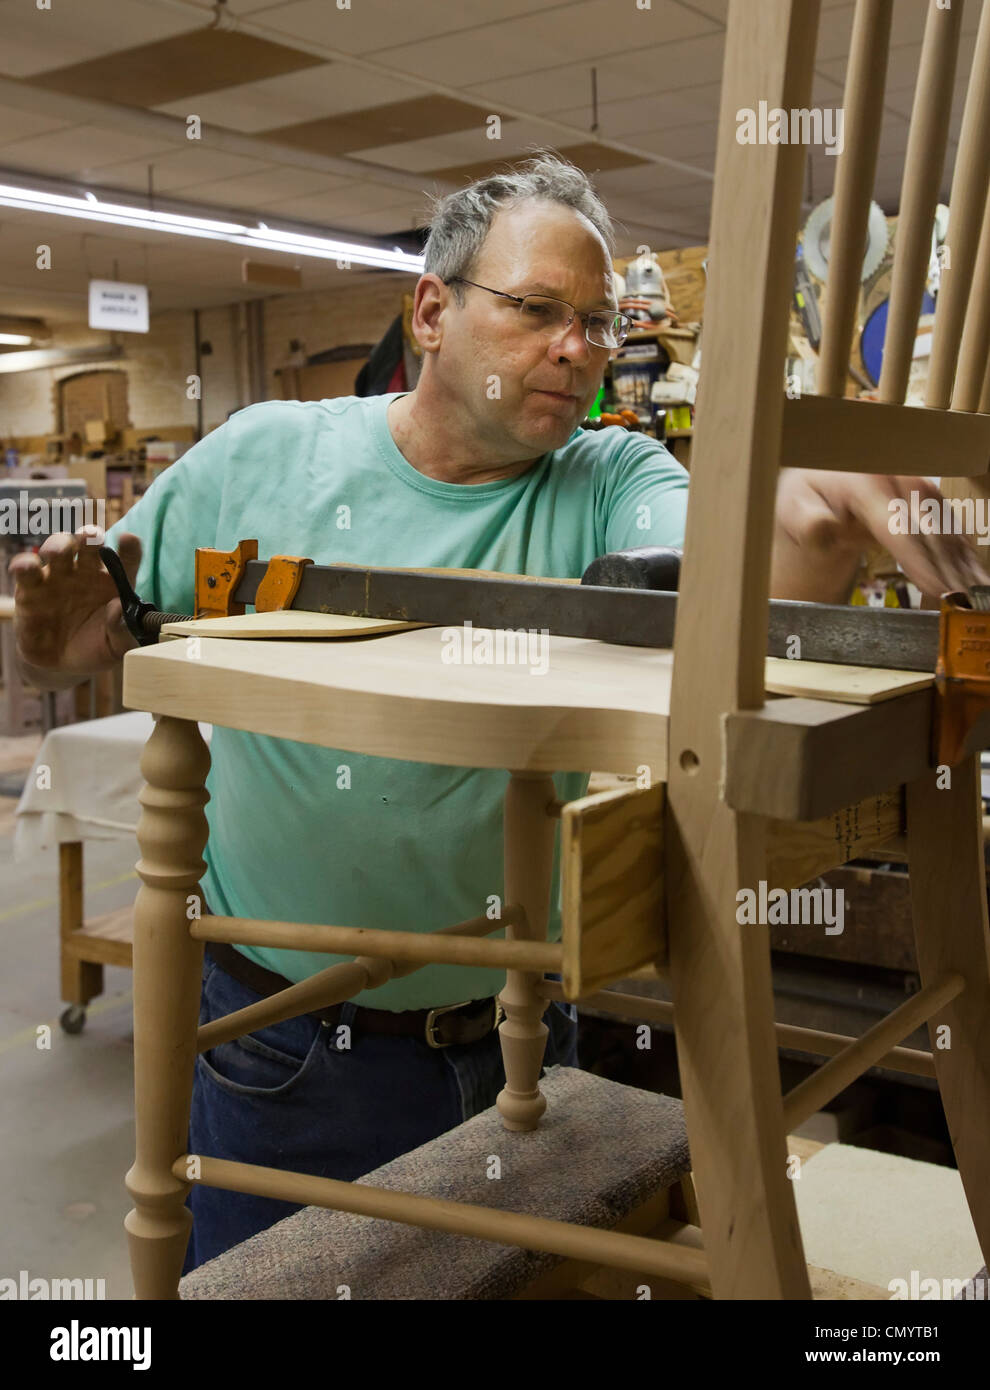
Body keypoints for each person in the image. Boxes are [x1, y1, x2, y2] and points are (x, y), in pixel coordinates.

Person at [10, 152, 985, 1272]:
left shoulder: (607, 473)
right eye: (537, 312)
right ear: (431, 311)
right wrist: (51, 629)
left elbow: (718, 567)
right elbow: (74, 650)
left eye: (598, 324)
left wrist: (804, 504)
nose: (576, 349)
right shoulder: (260, 458)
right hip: (289, 1050)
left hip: (525, 1037)